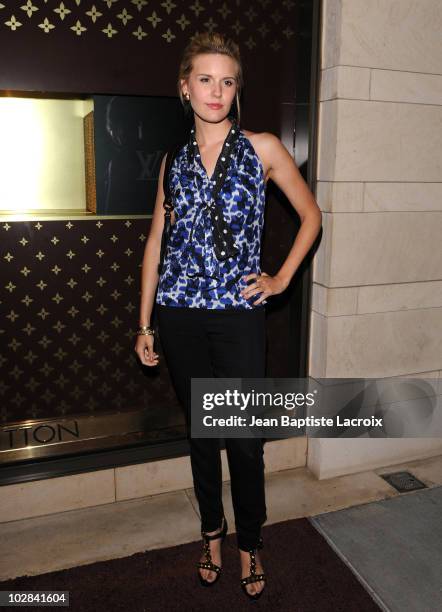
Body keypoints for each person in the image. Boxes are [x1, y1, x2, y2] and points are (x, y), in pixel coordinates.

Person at [135, 32, 322, 600]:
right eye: (205, 79)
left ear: (238, 90)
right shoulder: (174, 161)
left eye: (228, 80)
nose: (216, 91)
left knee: (243, 440)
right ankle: (211, 535)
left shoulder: (262, 147)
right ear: (185, 87)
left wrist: (280, 279)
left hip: (239, 315)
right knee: (201, 435)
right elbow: (155, 243)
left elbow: (311, 216)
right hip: (178, 314)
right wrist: (144, 323)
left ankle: (251, 544)